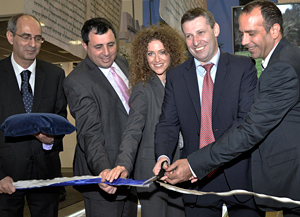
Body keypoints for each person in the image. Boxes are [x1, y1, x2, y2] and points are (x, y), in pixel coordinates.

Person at [162, 1, 300, 216]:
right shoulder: (288, 56)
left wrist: (193, 164)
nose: (244, 41)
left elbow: (250, 130)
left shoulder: (281, 67)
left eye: (251, 33)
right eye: (242, 33)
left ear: (274, 30)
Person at [153, 7, 265, 217]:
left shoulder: (244, 67)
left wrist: (200, 163)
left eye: (201, 32)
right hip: (195, 182)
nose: (196, 42)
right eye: (189, 36)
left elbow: (245, 122)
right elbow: (167, 123)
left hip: (239, 175)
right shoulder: (176, 76)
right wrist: (162, 156)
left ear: (215, 30)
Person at [102, 25, 187, 217]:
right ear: (143, 57)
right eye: (150, 53)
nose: (157, 59)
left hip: (179, 166)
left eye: (162, 52)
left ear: (171, 52)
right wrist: (123, 163)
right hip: (151, 170)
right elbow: (133, 128)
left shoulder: (181, 83)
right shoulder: (143, 88)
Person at [63, 17, 137, 217]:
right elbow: (90, 132)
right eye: (98, 47)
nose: (106, 53)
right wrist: (104, 170)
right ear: (85, 46)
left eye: (111, 45)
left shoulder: (121, 62)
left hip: (130, 171)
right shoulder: (77, 81)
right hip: (105, 177)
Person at [0, 14, 67, 217]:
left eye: (38, 38)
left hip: (46, 175)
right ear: (10, 37)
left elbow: (59, 118)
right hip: (6, 177)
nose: (33, 44)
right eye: (26, 37)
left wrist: (50, 140)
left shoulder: (55, 75)